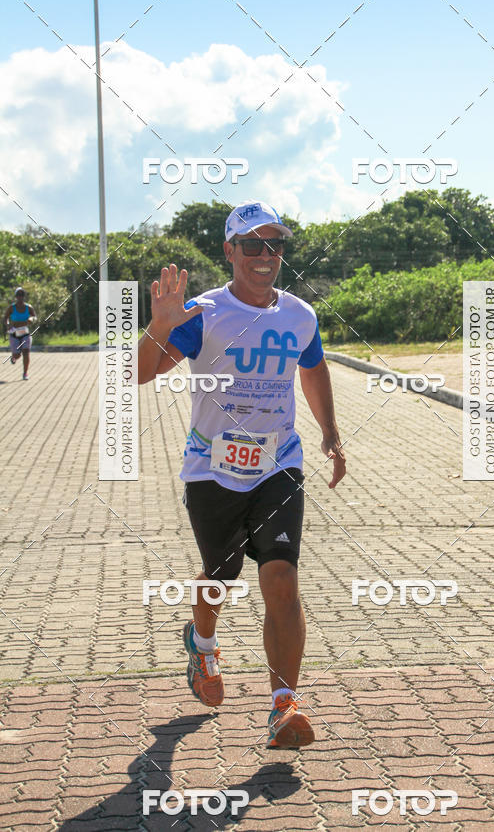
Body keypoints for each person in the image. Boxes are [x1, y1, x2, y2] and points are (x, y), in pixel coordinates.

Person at [138, 200, 346, 749]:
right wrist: (159, 325)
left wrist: (330, 431)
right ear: (229, 251)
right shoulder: (203, 312)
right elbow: (141, 373)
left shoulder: (299, 314)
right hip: (212, 469)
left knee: (280, 578)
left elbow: (313, 365)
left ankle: (284, 705)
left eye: (274, 244)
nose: (264, 255)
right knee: (221, 575)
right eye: (251, 244)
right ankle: (202, 644)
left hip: (280, 463)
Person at [4, 287, 36, 380]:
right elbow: (5, 317)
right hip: (14, 334)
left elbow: (34, 316)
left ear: (24, 296)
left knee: (26, 352)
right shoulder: (11, 307)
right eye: (18, 295)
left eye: (22, 295)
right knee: (17, 355)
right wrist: (8, 324)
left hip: (25, 333)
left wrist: (31, 319)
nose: (20, 296)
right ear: (16, 296)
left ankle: (25, 373)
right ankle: (14, 357)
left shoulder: (28, 307)